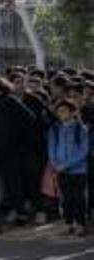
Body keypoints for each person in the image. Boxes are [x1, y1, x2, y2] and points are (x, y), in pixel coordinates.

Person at [48, 100, 89, 236]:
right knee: (66, 198)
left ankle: (81, 224)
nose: (61, 114)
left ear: (72, 112)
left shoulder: (81, 129)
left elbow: (83, 151)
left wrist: (66, 164)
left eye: (64, 111)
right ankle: (68, 223)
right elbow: (52, 147)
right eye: (59, 111)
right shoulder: (54, 128)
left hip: (78, 171)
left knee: (78, 198)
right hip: (61, 170)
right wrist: (54, 163)